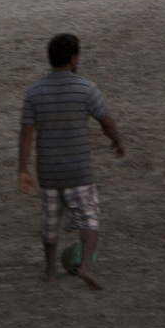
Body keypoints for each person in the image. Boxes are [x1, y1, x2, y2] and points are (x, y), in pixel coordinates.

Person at [18, 32, 124, 289]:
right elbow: (106, 122)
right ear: (74, 58)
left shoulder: (34, 92)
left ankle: (51, 270)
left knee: (50, 221)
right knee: (89, 217)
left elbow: (26, 133)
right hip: (79, 169)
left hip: (49, 170)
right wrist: (117, 140)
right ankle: (86, 266)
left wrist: (23, 169)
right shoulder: (86, 88)